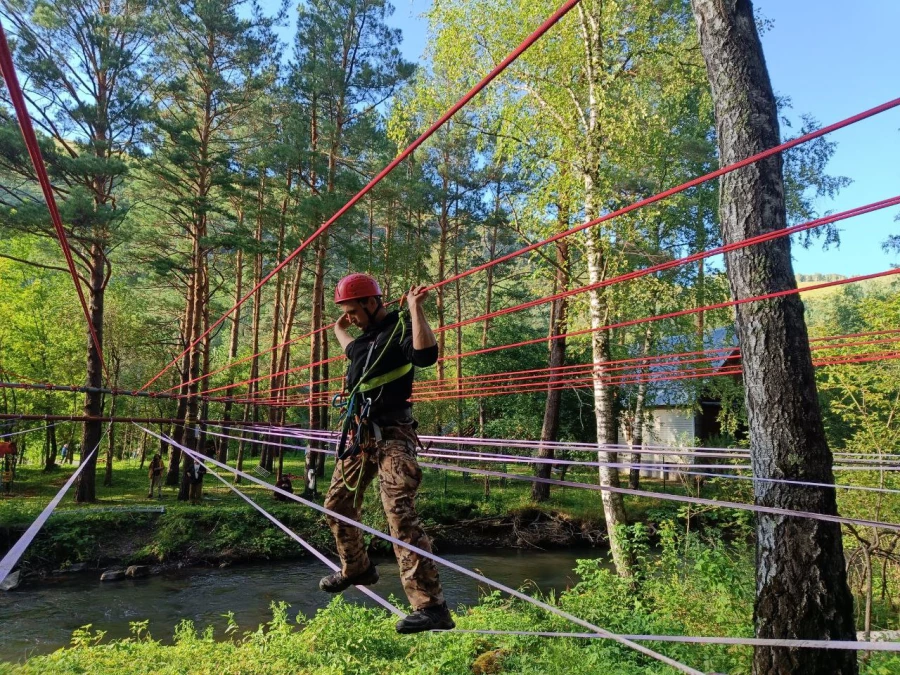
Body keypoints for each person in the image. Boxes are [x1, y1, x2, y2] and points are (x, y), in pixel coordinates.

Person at [318, 273, 454, 634]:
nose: (351, 318)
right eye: (347, 313)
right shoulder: (363, 342)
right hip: (361, 436)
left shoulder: (399, 330)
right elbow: (349, 346)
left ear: (371, 302)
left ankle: (432, 607)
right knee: (336, 504)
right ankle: (357, 568)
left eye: (353, 310)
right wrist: (338, 328)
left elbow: (425, 355)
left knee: (399, 512)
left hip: (393, 435)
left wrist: (414, 308)